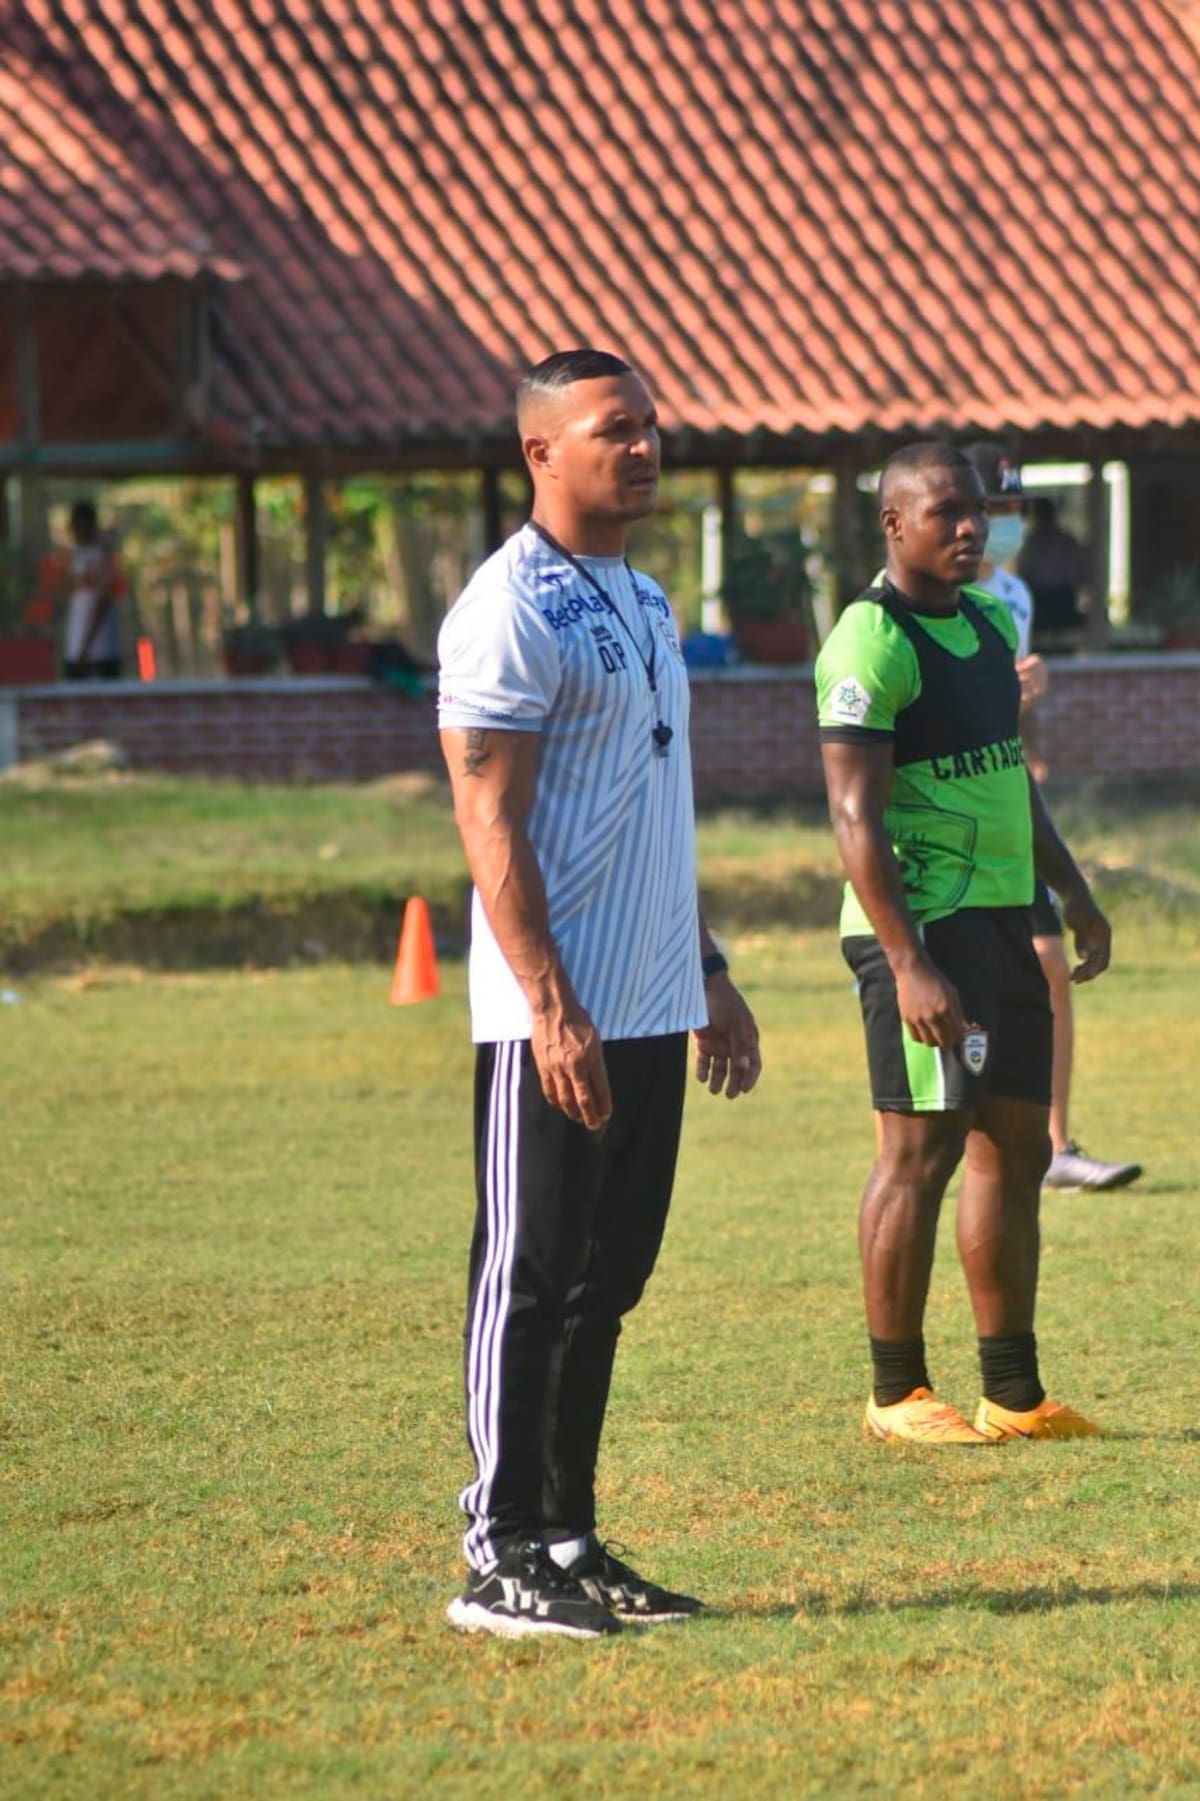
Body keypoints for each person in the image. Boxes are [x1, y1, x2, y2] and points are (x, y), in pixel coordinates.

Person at [436, 348, 762, 1638]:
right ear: (540, 452)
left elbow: (644, 815)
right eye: (613, 429)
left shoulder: (643, 598)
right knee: (525, 1275)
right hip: (550, 1019)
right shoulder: (505, 605)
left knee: (604, 1283)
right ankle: (497, 1551)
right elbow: (490, 818)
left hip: (647, 1001)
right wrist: (551, 1005)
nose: (643, 447)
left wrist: (709, 971)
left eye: (649, 427)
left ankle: (566, 1535)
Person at [815, 440, 1110, 1446]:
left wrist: (1072, 890)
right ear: (895, 524)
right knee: (921, 1148)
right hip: (922, 931)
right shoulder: (869, 641)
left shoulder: (988, 623)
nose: (971, 528)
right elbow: (853, 815)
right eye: (947, 513)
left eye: (978, 511)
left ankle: (1013, 1393)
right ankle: (897, 1392)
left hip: (1002, 917)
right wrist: (905, 961)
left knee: (1016, 1143)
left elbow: (1010, 782)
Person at [963, 443, 1142, 1195]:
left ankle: (1055, 1143)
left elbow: (1014, 715)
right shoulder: (897, 607)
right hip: (941, 829)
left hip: (1010, 814)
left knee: (1048, 971)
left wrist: (1029, 733)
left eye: (1009, 511)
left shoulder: (1014, 596)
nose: (998, 526)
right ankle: (935, 1152)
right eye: (988, 509)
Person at [63, 500, 124, 680]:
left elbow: (104, 600)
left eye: (79, 525)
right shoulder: (77, 558)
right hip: (77, 651)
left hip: (99, 653)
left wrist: (85, 647)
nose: (75, 530)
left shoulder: (101, 557)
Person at [1017, 496, 1088, 637]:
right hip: (1040, 599)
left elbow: (1080, 573)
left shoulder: (1064, 541)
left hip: (1061, 598)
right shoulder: (1032, 541)